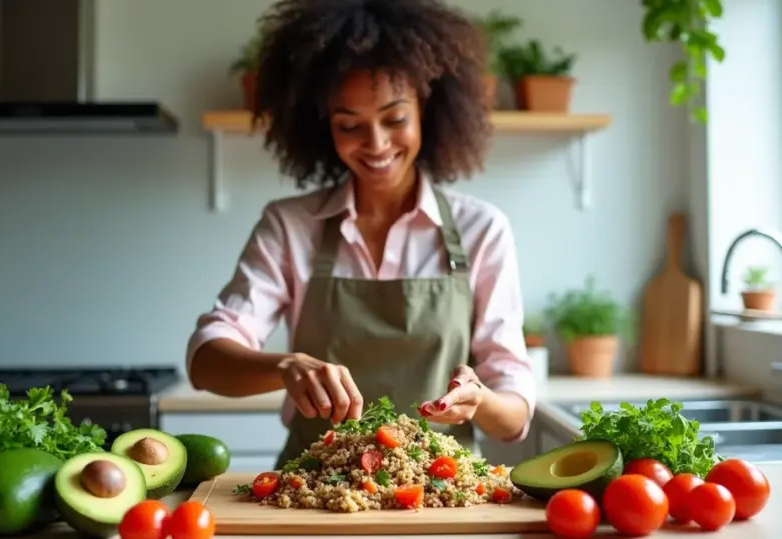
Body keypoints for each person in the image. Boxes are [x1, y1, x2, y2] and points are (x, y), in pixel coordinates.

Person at [186, 0, 536, 469]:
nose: (376, 143)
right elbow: (206, 362)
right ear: (323, 127)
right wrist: (286, 367)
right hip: (313, 487)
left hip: (443, 491)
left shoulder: (481, 229)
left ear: (428, 112)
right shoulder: (291, 226)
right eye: (349, 125)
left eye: (395, 119)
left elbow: (513, 417)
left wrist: (481, 400)